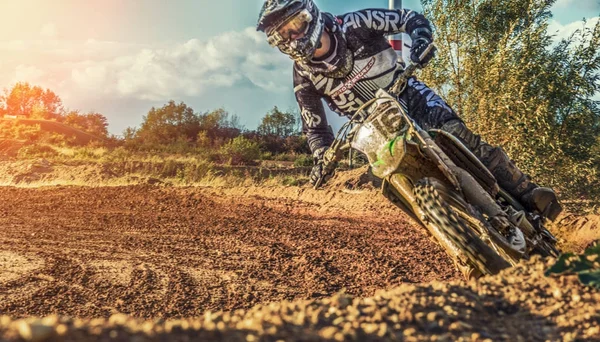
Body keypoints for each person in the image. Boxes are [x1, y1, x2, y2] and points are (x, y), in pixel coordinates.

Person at [256, 0, 562, 220]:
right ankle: (459, 245)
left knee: (457, 136)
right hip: (375, 130)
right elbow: (314, 126)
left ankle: (528, 191)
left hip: (410, 95)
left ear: (310, 14)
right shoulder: (303, 78)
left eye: (294, 25)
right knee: (396, 185)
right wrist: (322, 155)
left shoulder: (355, 24)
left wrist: (421, 40)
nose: (293, 37)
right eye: (282, 35)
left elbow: (409, 19)